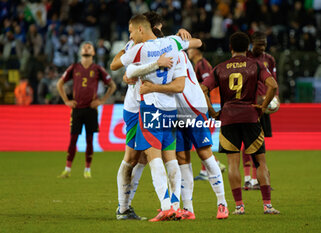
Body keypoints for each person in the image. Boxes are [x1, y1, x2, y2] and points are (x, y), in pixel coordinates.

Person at [124, 11, 228, 220]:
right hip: (173, 110)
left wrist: (186, 38)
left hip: (193, 107)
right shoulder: (169, 45)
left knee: (204, 153)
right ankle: (186, 208)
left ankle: (222, 203)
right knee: (181, 158)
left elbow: (196, 46)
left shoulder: (172, 45)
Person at [110, 14, 187, 222]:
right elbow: (118, 67)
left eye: (131, 32)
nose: (130, 35)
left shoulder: (158, 45)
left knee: (147, 158)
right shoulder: (134, 46)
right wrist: (127, 49)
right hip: (135, 108)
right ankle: (124, 207)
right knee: (133, 158)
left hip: (150, 106)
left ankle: (165, 206)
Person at [201, 32, 280, 215]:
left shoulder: (220, 67)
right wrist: (263, 106)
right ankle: (267, 205)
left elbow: (203, 88)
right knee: (260, 162)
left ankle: (239, 206)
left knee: (232, 164)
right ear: (247, 48)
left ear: (230, 48)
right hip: (251, 116)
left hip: (228, 118)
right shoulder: (256, 65)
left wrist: (212, 111)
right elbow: (273, 85)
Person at [57, 41, 116, 179]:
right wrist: (66, 100)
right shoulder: (74, 67)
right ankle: (67, 169)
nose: (86, 47)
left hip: (91, 109)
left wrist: (101, 101)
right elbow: (60, 83)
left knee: (90, 140)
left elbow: (112, 85)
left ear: (93, 53)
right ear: (80, 51)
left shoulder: (97, 69)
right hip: (77, 109)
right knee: (73, 140)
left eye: (89, 47)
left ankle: (87, 170)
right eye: (84, 46)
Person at [244, 31, 279, 190]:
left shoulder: (269, 59)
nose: (263, 47)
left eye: (264, 44)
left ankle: (257, 179)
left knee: (260, 142)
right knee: (249, 141)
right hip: (250, 106)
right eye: (260, 44)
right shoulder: (246, 58)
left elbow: (274, 81)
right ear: (252, 43)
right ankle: (248, 178)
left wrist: (275, 98)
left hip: (264, 106)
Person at [187, 45, 226, 181]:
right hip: (203, 103)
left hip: (204, 104)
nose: (188, 52)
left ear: (197, 50)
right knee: (202, 137)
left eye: (190, 49)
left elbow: (206, 85)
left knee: (201, 137)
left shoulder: (202, 64)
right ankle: (206, 169)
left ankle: (214, 164)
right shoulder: (199, 64)